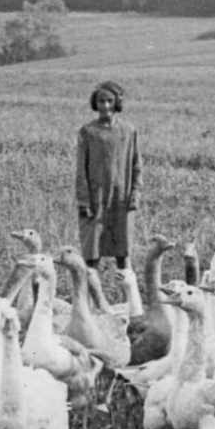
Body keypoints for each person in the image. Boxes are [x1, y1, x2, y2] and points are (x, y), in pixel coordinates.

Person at [75, 79, 140, 313]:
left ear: (117, 103)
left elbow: (136, 164)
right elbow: (81, 169)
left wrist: (135, 195)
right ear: (95, 103)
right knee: (92, 253)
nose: (105, 106)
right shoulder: (88, 132)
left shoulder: (129, 131)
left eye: (109, 101)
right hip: (95, 200)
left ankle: (132, 305)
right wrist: (83, 201)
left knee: (123, 251)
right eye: (101, 101)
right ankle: (89, 305)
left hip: (121, 200)